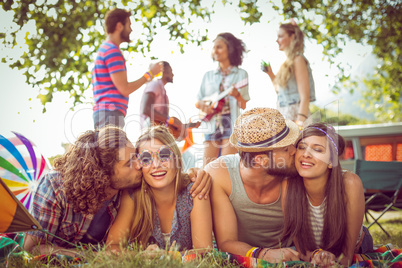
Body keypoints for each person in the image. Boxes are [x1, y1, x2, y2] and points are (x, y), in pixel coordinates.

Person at [22, 125, 212, 257]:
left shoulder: (129, 189)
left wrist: (195, 173)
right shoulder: (55, 188)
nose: (140, 165)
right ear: (103, 174)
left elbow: (166, 173)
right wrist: (89, 256)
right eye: (132, 162)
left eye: (137, 158)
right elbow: (32, 249)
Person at [206, 107, 301, 263]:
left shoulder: (293, 172)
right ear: (261, 160)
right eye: (286, 148)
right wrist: (264, 254)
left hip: (291, 254)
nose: (294, 151)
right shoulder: (221, 175)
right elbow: (226, 242)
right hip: (247, 256)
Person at [106, 125, 213, 255]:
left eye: (164, 154)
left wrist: (166, 257)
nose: (156, 165)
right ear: (139, 165)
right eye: (146, 158)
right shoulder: (133, 195)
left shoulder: (195, 191)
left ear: (177, 158)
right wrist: (141, 256)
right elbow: (112, 246)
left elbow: (204, 252)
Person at [282, 123, 373, 266]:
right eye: (302, 147)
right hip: (312, 247)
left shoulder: (350, 183)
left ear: (331, 161)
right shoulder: (288, 186)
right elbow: (301, 249)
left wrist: (335, 259)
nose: (306, 154)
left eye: (317, 149)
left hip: (353, 245)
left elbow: (346, 257)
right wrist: (315, 255)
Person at [92, 8, 163, 129]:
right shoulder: (112, 51)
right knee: (114, 148)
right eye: (129, 25)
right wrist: (149, 74)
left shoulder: (105, 49)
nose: (131, 29)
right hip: (110, 113)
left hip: (106, 113)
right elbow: (124, 89)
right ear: (119, 26)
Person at [195, 32, 250, 166]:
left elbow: (243, 105)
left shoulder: (241, 74)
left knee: (225, 167)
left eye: (219, 47)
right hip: (211, 125)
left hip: (230, 125)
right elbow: (198, 101)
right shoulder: (208, 76)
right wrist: (204, 106)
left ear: (230, 49)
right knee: (207, 168)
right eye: (214, 47)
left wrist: (237, 95)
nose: (215, 51)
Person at [263, 21, 316, 127]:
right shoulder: (287, 63)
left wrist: (299, 124)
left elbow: (305, 97)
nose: (277, 40)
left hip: (297, 117)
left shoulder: (298, 60)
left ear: (292, 37)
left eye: (281, 36)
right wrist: (270, 73)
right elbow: (280, 91)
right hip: (285, 115)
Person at [139, 61, 184, 139]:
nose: (173, 74)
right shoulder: (154, 85)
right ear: (164, 71)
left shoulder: (163, 91)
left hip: (157, 133)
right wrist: (171, 121)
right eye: (171, 71)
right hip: (150, 132)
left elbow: (162, 120)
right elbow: (146, 109)